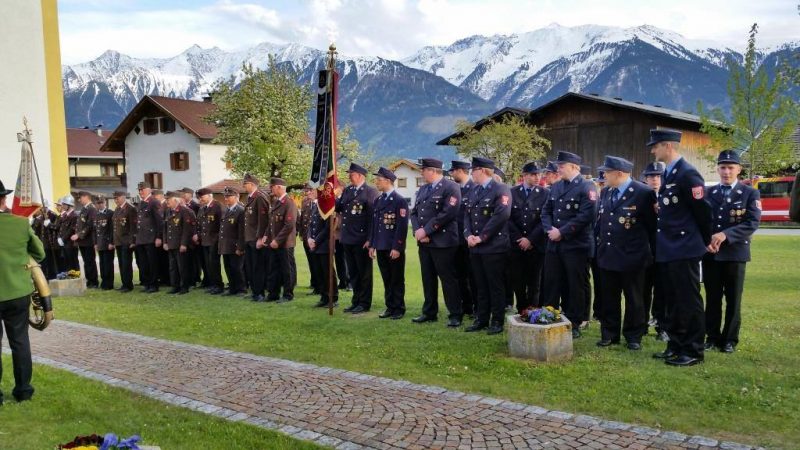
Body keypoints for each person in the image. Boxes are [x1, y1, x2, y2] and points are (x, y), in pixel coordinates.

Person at [649, 129, 712, 367]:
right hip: (670, 247)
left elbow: (703, 212)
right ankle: (675, 344)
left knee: (688, 300)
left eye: (655, 146)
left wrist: (704, 241)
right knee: (673, 300)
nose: (653, 150)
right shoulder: (670, 173)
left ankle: (693, 350)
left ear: (667, 146)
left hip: (684, 247)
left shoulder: (687, 173)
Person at [594, 156, 657, 350]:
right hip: (608, 254)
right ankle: (609, 333)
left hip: (633, 256)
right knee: (608, 297)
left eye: (607, 172)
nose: (604, 175)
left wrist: (652, 255)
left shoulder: (643, 193)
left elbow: (652, 227)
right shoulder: (605, 192)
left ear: (619, 174)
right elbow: (602, 222)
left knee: (634, 299)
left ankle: (633, 336)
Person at [703, 150, 761, 353]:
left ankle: (729, 339)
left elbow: (752, 222)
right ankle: (711, 337)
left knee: (733, 299)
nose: (726, 172)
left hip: (735, 254)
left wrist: (725, 235)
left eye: (730, 167)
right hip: (711, 253)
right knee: (712, 298)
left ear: (739, 169)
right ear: (717, 169)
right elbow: (701, 222)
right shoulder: (709, 193)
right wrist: (705, 241)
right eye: (722, 167)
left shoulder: (749, 193)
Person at [541, 151, 598, 338]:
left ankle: (574, 323)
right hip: (554, 245)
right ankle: (548, 316)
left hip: (576, 246)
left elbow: (586, 215)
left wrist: (561, 232)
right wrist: (550, 230)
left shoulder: (586, 187)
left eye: (562, 166)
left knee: (575, 286)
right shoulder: (556, 187)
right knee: (551, 282)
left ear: (574, 167)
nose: (559, 169)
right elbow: (546, 211)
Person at [0, 179, 46, 405]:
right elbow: (39, 253)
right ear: (4, 199)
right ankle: (23, 391)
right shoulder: (20, 223)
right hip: (17, 292)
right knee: (19, 341)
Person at [410, 158, 463, 327]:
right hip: (425, 242)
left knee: (448, 279)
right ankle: (429, 312)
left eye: (423, 170)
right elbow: (414, 213)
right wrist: (418, 232)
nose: (421, 172)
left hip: (444, 242)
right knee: (428, 278)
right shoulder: (423, 189)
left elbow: (448, 213)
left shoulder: (451, 187)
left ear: (433, 171)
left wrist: (426, 230)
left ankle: (455, 314)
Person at [463, 157, 512, 335]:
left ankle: (497, 321)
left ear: (482, 170)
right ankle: (481, 319)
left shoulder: (500, 189)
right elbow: (466, 215)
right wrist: (468, 235)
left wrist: (481, 237)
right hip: (476, 246)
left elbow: (501, 216)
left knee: (495, 286)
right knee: (480, 285)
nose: (471, 174)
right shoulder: (474, 191)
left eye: (473, 170)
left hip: (494, 246)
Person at [507, 161, 549, 313]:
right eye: (533, 174)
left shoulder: (545, 193)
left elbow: (544, 219)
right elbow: (508, 218)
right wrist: (520, 239)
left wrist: (530, 239)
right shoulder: (512, 192)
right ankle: (521, 309)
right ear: (524, 175)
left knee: (534, 281)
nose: (537, 177)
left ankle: (533, 310)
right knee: (517, 279)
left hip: (536, 245)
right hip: (516, 244)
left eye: (538, 174)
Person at [337, 163, 378, 314]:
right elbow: (339, 207)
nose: (349, 176)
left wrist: (370, 239)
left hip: (361, 239)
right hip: (347, 237)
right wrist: (326, 197)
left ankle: (364, 302)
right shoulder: (348, 190)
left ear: (360, 175)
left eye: (352, 174)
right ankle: (356, 300)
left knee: (364, 273)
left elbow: (373, 219)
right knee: (353, 273)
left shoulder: (370, 192)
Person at [369, 167, 409, 320]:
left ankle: (399, 308)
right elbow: (375, 225)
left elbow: (402, 226)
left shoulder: (399, 201)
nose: (376, 183)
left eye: (378, 180)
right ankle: (390, 306)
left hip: (393, 247)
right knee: (386, 278)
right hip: (380, 245)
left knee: (396, 279)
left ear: (387, 181)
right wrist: (373, 244)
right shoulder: (378, 200)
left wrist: (397, 247)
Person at [641, 161, 668, 340]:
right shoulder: (641, 196)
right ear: (646, 179)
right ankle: (641, 324)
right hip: (644, 250)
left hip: (665, 251)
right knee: (642, 290)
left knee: (663, 290)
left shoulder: (669, 195)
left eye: (658, 176)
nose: (655, 180)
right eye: (651, 176)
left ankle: (662, 326)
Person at [448, 160, 477, 317]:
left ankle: (475, 306)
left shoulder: (474, 188)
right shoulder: (454, 189)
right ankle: (465, 306)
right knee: (459, 275)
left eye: (453, 171)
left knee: (473, 275)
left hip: (470, 239)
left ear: (460, 171)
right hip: (455, 239)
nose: (451, 174)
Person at [267, 177, 298, 303]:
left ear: (279, 187)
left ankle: (287, 294)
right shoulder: (276, 202)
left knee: (287, 270)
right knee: (274, 269)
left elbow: (289, 224)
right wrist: (267, 236)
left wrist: (277, 240)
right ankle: (273, 294)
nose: (271, 189)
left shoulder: (289, 203)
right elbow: (271, 223)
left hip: (285, 243)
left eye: (272, 187)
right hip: (275, 242)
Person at [307, 188, 338, 307]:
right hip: (315, 244)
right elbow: (311, 224)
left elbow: (328, 227)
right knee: (319, 272)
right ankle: (324, 297)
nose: (311, 193)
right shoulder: (316, 206)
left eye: (314, 191)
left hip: (324, 244)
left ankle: (333, 298)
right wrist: (309, 238)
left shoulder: (327, 207)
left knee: (328, 272)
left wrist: (316, 240)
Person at [242, 174, 270, 302]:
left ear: (252, 184)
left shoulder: (260, 197)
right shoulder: (250, 198)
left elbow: (263, 220)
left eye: (245, 184)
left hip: (256, 238)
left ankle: (260, 293)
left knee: (258, 266)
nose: (244, 186)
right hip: (249, 238)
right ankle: (255, 290)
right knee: (250, 266)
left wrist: (260, 238)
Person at [163, 191, 196, 295]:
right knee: (173, 267)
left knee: (182, 267)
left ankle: (184, 286)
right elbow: (165, 228)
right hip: (171, 243)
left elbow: (187, 229)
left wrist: (184, 244)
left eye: (168, 199)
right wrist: (165, 241)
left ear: (175, 200)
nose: (166, 201)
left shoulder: (184, 211)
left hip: (180, 244)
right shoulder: (168, 211)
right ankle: (175, 286)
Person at [135, 182, 163, 293]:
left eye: (142, 190)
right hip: (141, 238)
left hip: (151, 238)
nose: (140, 192)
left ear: (149, 190)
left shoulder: (154, 202)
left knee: (152, 263)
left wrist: (158, 237)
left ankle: (153, 284)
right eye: (139, 190)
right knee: (143, 263)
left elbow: (159, 221)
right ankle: (147, 283)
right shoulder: (141, 203)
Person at [195, 188, 223, 295]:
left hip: (214, 240)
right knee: (208, 264)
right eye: (199, 197)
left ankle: (218, 285)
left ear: (210, 195)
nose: (200, 199)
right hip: (205, 240)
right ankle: (213, 284)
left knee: (214, 263)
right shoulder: (203, 208)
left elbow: (221, 224)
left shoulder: (217, 206)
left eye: (202, 196)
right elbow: (200, 224)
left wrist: (218, 238)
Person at [219, 186, 246, 296]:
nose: (226, 198)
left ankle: (241, 289)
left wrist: (240, 247)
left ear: (236, 197)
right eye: (225, 196)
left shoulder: (240, 211)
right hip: (226, 245)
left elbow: (242, 231)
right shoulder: (226, 210)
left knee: (237, 268)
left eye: (229, 196)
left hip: (235, 245)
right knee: (228, 267)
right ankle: (232, 288)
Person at [72, 191, 98, 288]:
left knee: (90, 261)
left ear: (87, 197)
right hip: (83, 241)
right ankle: (89, 280)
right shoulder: (84, 209)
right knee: (86, 262)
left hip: (89, 240)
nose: (79, 200)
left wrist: (79, 234)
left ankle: (93, 281)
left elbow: (90, 225)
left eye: (81, 197)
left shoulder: (91, 209)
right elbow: (81, 224)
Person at [112, 191, 137, 292]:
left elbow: (133, 226)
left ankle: (128, 284)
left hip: (126, 241)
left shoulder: (130, 209)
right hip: (118, 241)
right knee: (121, 264)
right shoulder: (117, 209)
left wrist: (132, 241)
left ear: (123, 197)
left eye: (117, 198)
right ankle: (124, 283)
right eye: (114, 198)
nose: (115, 200)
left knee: (126, 264)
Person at [181, 187, 204, 287]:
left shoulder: (195, 206)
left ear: (190, 194)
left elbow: (196, 221)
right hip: (187, 236)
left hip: (194, 236)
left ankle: (196, 277)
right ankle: (191, 278)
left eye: (184, 194)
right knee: (189, 260)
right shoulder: (184, 206)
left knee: (196, 260)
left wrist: (196, 234)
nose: (183, 196)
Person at [297, 185, 319, 294]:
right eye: (306, 190)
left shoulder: (319, 203)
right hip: (306, 236)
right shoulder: (305, 202)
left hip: (315, 237)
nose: (307, 192)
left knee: (316, 261)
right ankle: (314, 282)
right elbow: (302, 219)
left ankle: (318, 284)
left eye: (309, 190)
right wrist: (301, 233)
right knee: (310, 260)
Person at [93, 195, 115, 290]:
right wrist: (95, 243)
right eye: (98, 203)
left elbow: (112, 229)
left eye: (101, 202)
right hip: (100, 243)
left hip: (107, 243)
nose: (100, 205)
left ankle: (109, 283)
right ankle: (104, 282)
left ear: (105, 203)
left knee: (108, 264)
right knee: (102, 264)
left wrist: (111, 242)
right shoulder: (96, 214)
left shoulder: (110, 213)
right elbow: (95, 230)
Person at [58, 195, 80, 272]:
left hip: (71, 243)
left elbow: (71, 229)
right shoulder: (64, 215)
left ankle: (75, 277)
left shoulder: (74, 215)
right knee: (66, 262)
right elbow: (61, 228)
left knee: (73, 262)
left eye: (64, 204)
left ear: (69, 205)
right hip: (65, 243)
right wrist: (59, 238)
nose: (62, 206)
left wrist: (63, 239)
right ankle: (69, 276)